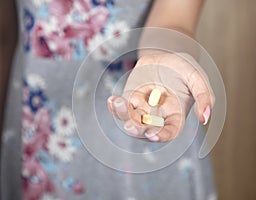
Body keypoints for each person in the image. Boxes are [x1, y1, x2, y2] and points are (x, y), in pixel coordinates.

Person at [0, 0, 216, 199]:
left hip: (141, 116)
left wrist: (165, 61)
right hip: (34, 128)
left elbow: (174, 20)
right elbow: (5, 35)